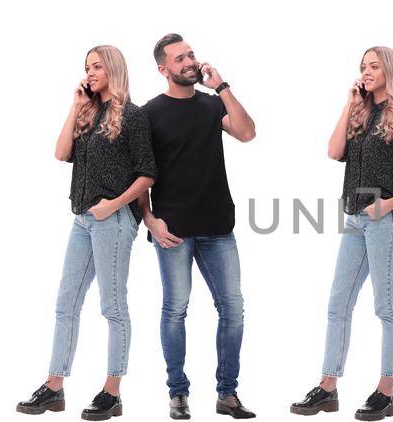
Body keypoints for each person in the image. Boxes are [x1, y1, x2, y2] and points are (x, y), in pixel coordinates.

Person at [14, 44, 155, 422]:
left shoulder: (134, 116)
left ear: (112, 69)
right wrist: (75, 106)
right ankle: (54, 387)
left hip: (113, 219)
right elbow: (61, 154)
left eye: (96, 66)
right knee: (65, 304)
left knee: (112, 307)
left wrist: (113, 205)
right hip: (81, 220)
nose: (89, 73)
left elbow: (147, 174)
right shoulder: (88, 114)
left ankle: (112, 393)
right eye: (86, 67)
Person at [289, 46, 393, 422]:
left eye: (373, 66)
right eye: (362, 66)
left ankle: (386, 392)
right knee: (337, 304)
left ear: (390, 71)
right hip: (353, 218)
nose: (366, 72)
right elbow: (334, 152)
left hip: (387, 219)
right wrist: (349, 105)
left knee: (385, 306)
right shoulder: (360, 114)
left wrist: (390, 203)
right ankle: (327, 387)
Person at [137, 33, 258, 420]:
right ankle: (178, 393)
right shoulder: (148, 114)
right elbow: (139, 172)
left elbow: (246, 132)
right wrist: (150, 220)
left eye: (190, 55)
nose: (189, 61)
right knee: (175, 310)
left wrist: (221, 87)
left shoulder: (211, 105)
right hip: (172, 229)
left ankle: (227, 394)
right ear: (163, 69)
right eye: (179, 58)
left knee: (234, 310)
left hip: (218, 226)